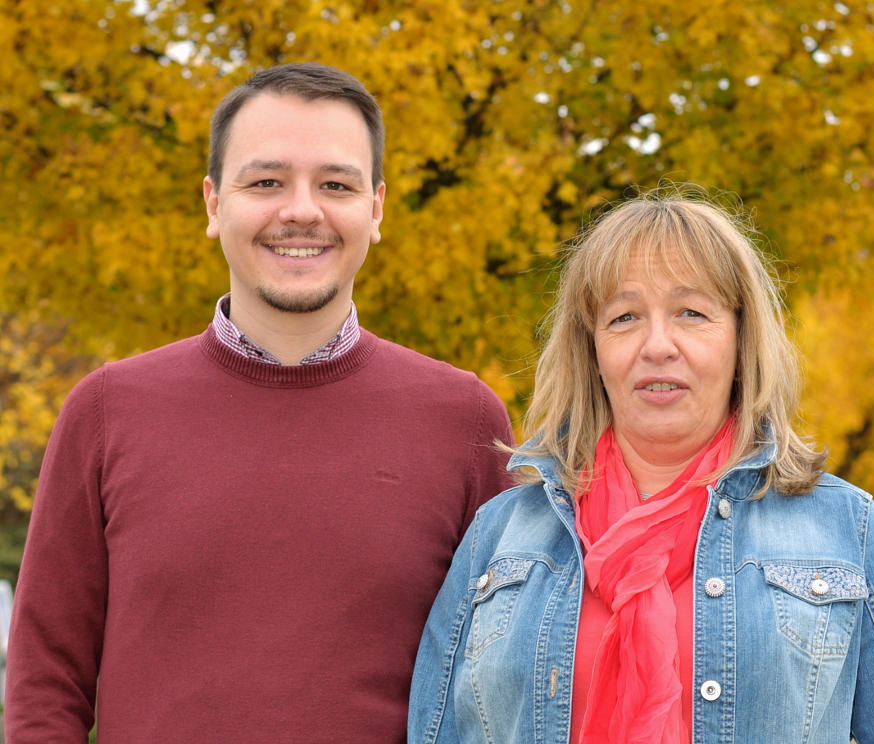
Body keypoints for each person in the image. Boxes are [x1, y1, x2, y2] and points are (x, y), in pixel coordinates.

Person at [5, 63, 514, 744]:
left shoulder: (466, 421)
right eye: (266, 181)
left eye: (335, 185)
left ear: (375, 209)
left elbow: (499, 684)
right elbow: (45, 685)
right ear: (214, 203)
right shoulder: (105, 412)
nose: (301, 210)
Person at [409, 192, 874, 743]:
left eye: (691, 313)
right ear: (592, 351)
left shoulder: (845, 528)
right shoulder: (499, 536)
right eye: (624, 317)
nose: (658, 345)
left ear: (741, 343)